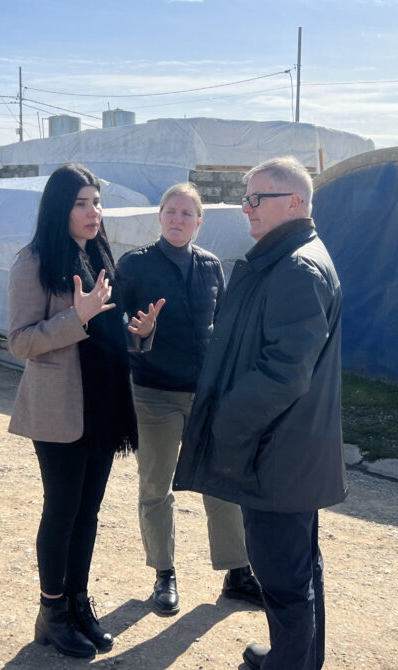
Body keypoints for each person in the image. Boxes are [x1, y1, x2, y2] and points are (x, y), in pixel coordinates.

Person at [173, 157, 347, 669]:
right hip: (286, 446)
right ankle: (297, 657)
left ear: (293, 202)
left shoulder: (297, 267)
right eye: (245, 197)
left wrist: (227, 418)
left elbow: (284, 372)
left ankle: (292, 664)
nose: (245, 207)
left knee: (283, 575)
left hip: (277, 450)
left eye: (256, 198)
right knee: (296, 567)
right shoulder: (288, 256)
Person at [7, 163, 163, 658]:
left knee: (89, 512)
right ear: (59, 207)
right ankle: (51, 612)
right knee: (63, 510)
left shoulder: (99, 253)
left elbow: (107, 331)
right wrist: (76, 317)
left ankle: (77, 602)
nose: (93, 212)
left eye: (96, 201)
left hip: (103, 402)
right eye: (81, 202)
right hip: (58, 408)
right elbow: (20, 341)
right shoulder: (32, 262)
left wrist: (138, 334)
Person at [116, 183, 262, 617]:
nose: (178, 219)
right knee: (156, 487)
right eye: (171, 211)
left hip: (206, 395)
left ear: (200, 222)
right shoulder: (135, 265)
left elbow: (221, 328)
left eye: (187, 213)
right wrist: (135, 330)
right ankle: (164, 573)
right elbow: (115, 321)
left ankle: (237, 572)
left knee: (221, 484)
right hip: (154, 393)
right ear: (159, 217)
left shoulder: (212, 266)